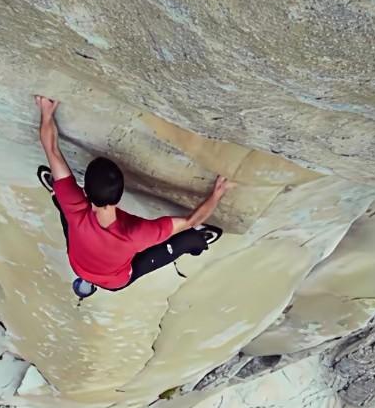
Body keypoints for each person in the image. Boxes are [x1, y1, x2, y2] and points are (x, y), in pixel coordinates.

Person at [34, 95, 233, 298]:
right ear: (119, 196)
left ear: (86, 193)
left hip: (79, 264)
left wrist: (46, 112)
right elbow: (191, 220)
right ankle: (197, 241)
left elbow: (51, 149)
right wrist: (217, 194)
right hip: (114, 279)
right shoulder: (136, 234)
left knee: (67, 209)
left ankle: (57, 191)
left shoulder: (77, 208)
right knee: (170, 248)